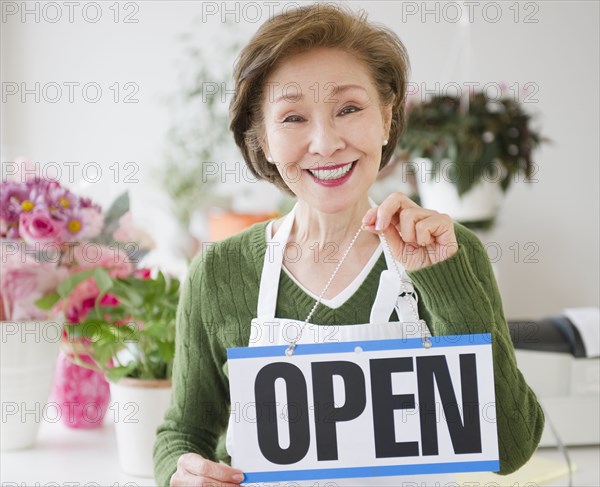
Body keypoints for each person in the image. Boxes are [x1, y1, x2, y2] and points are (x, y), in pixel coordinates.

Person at [154, 4, 544, 486]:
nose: (326, 142)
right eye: (293, 117)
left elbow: (510, 447)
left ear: (386, 117)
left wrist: (442, 281)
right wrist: (180, 473)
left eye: (349, 109)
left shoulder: (447, 251)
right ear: (264, 140)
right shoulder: (218, 272)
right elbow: (183, 431)